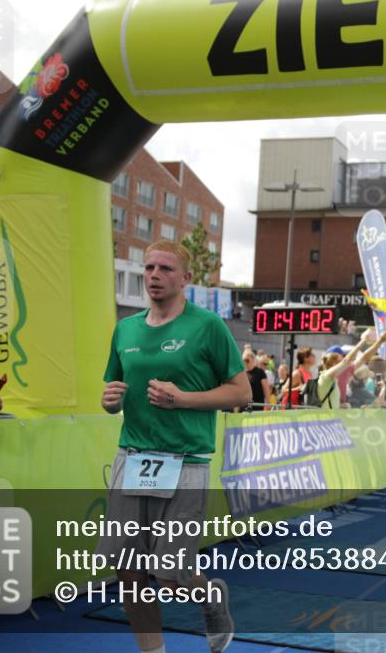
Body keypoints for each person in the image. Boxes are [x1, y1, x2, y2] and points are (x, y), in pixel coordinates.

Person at [98, 240, 250, 653]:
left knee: (169, 577)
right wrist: (108, 401)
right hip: (133, 458)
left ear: (185, 278)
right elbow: (112, 393)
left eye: (165, 269)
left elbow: (241, 392)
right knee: (129, 572)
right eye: (148, 267)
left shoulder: (207, 327)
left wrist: (183, 399)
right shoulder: (125, 329)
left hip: (185, 462)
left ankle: (209, 598)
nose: (154, 276)